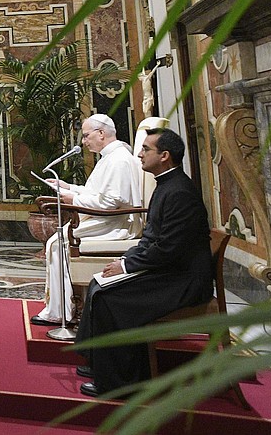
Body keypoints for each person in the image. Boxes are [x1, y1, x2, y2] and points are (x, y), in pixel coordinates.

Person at [75, 128, 214, 397]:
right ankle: (100, 363)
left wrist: (126, 266)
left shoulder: (179, 192)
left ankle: (121, 383)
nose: (139, 154)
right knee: (99, 283)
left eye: (146, 149)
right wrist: (126, 259)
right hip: (170, 271)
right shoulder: (167, 185)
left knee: (110, 297)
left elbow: (168, 248)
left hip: (184, 281)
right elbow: (153, 238)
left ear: (164, 156)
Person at [31, 114, 144, 326]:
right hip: (106, 220)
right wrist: (69, 188)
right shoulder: (110, 157)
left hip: (115, 224)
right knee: (56, 240)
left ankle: (60, 312)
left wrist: (73, 198)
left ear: (101, 133)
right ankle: (64, 306)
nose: (83, 141)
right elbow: (98, 193)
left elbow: (111, 203)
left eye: (86, 135)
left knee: (56, 243)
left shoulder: (119, 160)